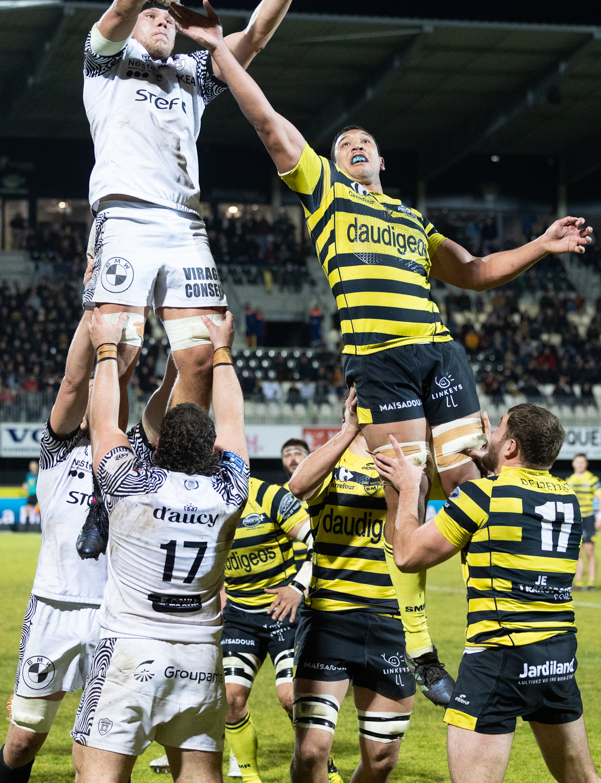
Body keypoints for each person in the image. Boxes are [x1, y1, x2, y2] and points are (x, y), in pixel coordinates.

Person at [169, 0, 592, 703]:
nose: (353, 145)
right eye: (343, 143)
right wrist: (221, 53)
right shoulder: (327, 193)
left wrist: (543, 247)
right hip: (381, 362)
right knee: (408, 491)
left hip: (438, 352)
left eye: (364, 141)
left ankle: (502, 621)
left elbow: (478, 270)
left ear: (383, 159)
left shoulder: (412, 220)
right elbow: (269, 124)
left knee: (472, 487)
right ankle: (423, 649)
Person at [81, 0, 337, 414]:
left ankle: (158, 453)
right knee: (121, 355)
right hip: (125, 216)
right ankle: (110, 474)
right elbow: (119, 8)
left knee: (200, 358)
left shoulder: (190, 76)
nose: (160, 23)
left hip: (184, 226)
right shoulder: (103, 61)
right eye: (150, 16)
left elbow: (255, 38)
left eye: (167, 20)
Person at [377, 405, 601, 783]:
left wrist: (407, 488)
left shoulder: (481, 497)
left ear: (512, 447)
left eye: (497, 429)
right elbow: (512, 509)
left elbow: (407, 555)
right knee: (582, 779)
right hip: (556, 657)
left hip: (499, 657)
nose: (489, 435)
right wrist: (494, 468)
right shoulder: (568, 498)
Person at [0, 315, 178, 783]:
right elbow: (75, 380)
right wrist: (93, 310)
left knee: (96, 752)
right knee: (22, 741)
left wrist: (178, 361)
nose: (98, 395)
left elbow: (160, 407)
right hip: (53, 609)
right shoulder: (58, 448)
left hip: (115, 617)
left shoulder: (135, 451)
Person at [71, 310, 249, 783]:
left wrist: (107, 348)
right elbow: (233, 421)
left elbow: (103, 421)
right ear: (213, 453)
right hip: (199, 655)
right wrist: (222, 352)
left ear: (155, 445)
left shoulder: (130, 482)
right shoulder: (227, 492)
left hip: (128, 648)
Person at [284, 393, 414, 783]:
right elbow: (298, 484)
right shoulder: (335, 456)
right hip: (329, 620)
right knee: (311, 752)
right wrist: (349, 430)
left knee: (382, 758)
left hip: (389, 621)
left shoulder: (406, 459)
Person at [217, 441, 315, 783]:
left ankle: (319, 764)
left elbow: (317, 543)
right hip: (240, 617)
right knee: (230, 698)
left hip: (281, 613)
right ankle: (250, 776)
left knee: (290, 697)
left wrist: (297, 588)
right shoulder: (205, 502)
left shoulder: (271, 496)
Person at [567, 454, 601, 592]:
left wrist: (600, 517)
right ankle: (578, 582)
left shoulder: (592, 479)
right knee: (576, 553)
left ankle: (591, 582)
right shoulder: (569, 481)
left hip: (588, 518)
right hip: (574, 519)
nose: (580, 464)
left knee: (589, 551)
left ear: (586, 464)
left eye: (582, 462)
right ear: (573, 463)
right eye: (578, 462)